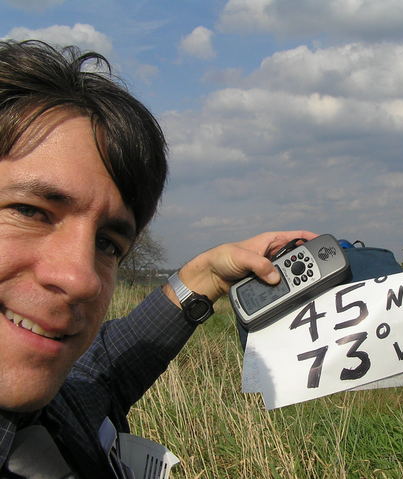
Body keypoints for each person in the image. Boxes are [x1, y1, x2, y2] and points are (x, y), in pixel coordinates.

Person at [0, 39, 315, 477]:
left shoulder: (58, 413)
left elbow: (100, 374)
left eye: (108, 243)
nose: (82, 278)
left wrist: (208, 276)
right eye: (30, 211)